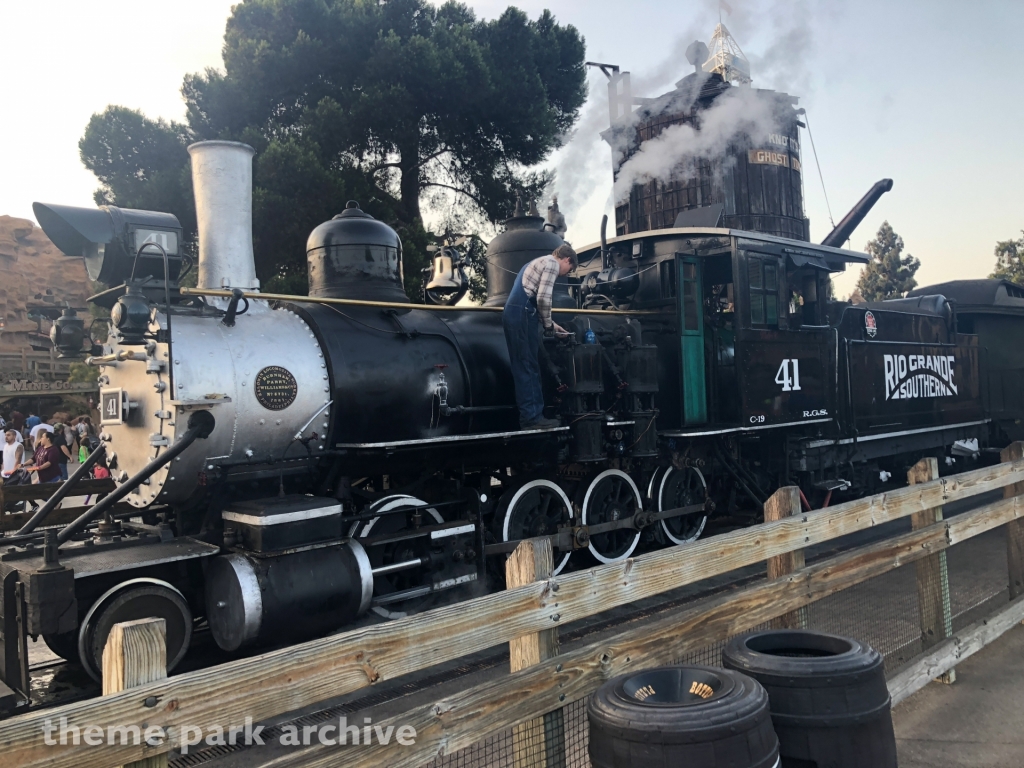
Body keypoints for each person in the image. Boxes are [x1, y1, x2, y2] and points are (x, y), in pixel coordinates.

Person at [502, 243, 577, 429]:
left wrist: (554, 325)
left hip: (517, 313)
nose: (565, 274)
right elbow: (544, 298)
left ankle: (531, 416)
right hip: (523, 314)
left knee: (524, 365)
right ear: (567, 259)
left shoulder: (535, 262)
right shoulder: (552, 263)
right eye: (570, 270)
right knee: (528, 366)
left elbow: (534, 299)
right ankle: (532, 419)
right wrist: (548, 326)